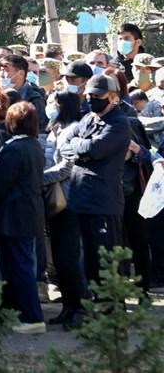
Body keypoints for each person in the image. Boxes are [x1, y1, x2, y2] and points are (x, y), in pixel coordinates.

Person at [61, 74, 130, 290]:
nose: (92, 99)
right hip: (82, 199)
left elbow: (96, 149)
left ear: (112, 97)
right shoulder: (88, 118)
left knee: (106, 260)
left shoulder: (119, 123)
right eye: (89, 95)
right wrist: (82, 147)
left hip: (103, 202)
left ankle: (110, 311)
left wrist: (80, 146)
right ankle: (95, 308)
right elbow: (67, 144)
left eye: (97, 96)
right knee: (89, 259)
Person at [0, 101, 46, 334]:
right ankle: (22, 313)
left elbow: (0, 184)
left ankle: (32, 317)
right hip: (29, 213)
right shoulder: (34, 145)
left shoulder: (13, 148)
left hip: (13, 216)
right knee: (22, 265)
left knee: (19, 267)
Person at [43, 90, 86, 331]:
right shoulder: (55, 129)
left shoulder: (72, 130)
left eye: (53, 102)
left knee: (69, 259)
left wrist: (38, 178)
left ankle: (79, 308)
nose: (49, 106)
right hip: (56, 201)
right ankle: (68, 307)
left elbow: (67, 166)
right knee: (60, 258)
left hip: (69, 201)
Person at [0, 54, 48, 130]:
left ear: (21, 74)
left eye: (6, 70)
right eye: (0, 70)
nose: (1, 75)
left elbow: (40, 131)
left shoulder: (35, 99)